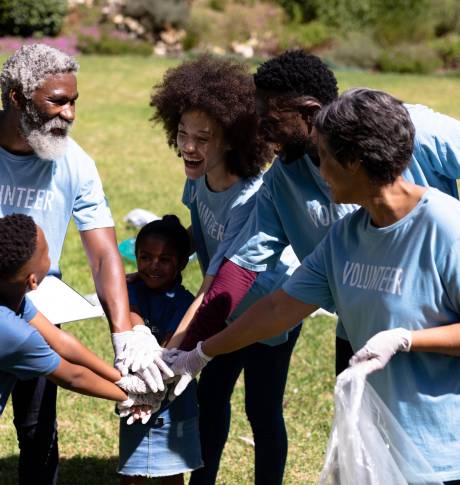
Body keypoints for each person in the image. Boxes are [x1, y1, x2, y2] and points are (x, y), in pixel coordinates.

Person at [171, 89, 460, 484]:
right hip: (378, 454)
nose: (317, 171)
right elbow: (277, 309)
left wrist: (407, 339)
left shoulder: (446, 227)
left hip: (444, 457)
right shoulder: (344, 238)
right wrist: (199, 353)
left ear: (355, 161)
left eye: (323, 157)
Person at [172, 49, 460, 377]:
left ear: (309, 112)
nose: (261, 134)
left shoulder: (409, 132)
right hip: (360, 330)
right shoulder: (293, 190)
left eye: (270, 122)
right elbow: (249, 276)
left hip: (444, 326)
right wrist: (189, 353)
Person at [0, 44, 169, 485]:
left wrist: (123, 333)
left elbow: (102, 251)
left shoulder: (74, 163)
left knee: (38, 430)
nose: (70, 114)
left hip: (37, 308)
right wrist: (125, 391)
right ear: (17, 98)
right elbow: (75, 375)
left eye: (74, 101)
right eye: (58, 100)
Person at [150, 55, 301, 485]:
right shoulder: (197, 177)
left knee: (262, 410)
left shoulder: (249, 197)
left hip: (268, 313)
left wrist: (172, 351)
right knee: (211, 399)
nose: (189, 147)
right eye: (182, 134)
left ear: (232, 140)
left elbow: (215, 285)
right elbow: (198, 240)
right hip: (224, 309)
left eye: (203, 138)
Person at [0, 213, 158, 417]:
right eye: (48, 253)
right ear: (32, 281)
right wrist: (131, 397)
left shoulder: (10, 294)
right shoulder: (16, 335)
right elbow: (73, 377)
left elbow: (59, 340)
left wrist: (121, 378)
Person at [118, 215, 203, 485]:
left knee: (171, 472)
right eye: (145, 257)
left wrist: (151, 389)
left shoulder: (185, 303)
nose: (153, 266)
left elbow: (169, 350)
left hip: (173, 397)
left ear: (180, 263)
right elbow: (132, 317)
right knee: (131, 470)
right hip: (134, 394)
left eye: (164, 259)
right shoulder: (131, 290)